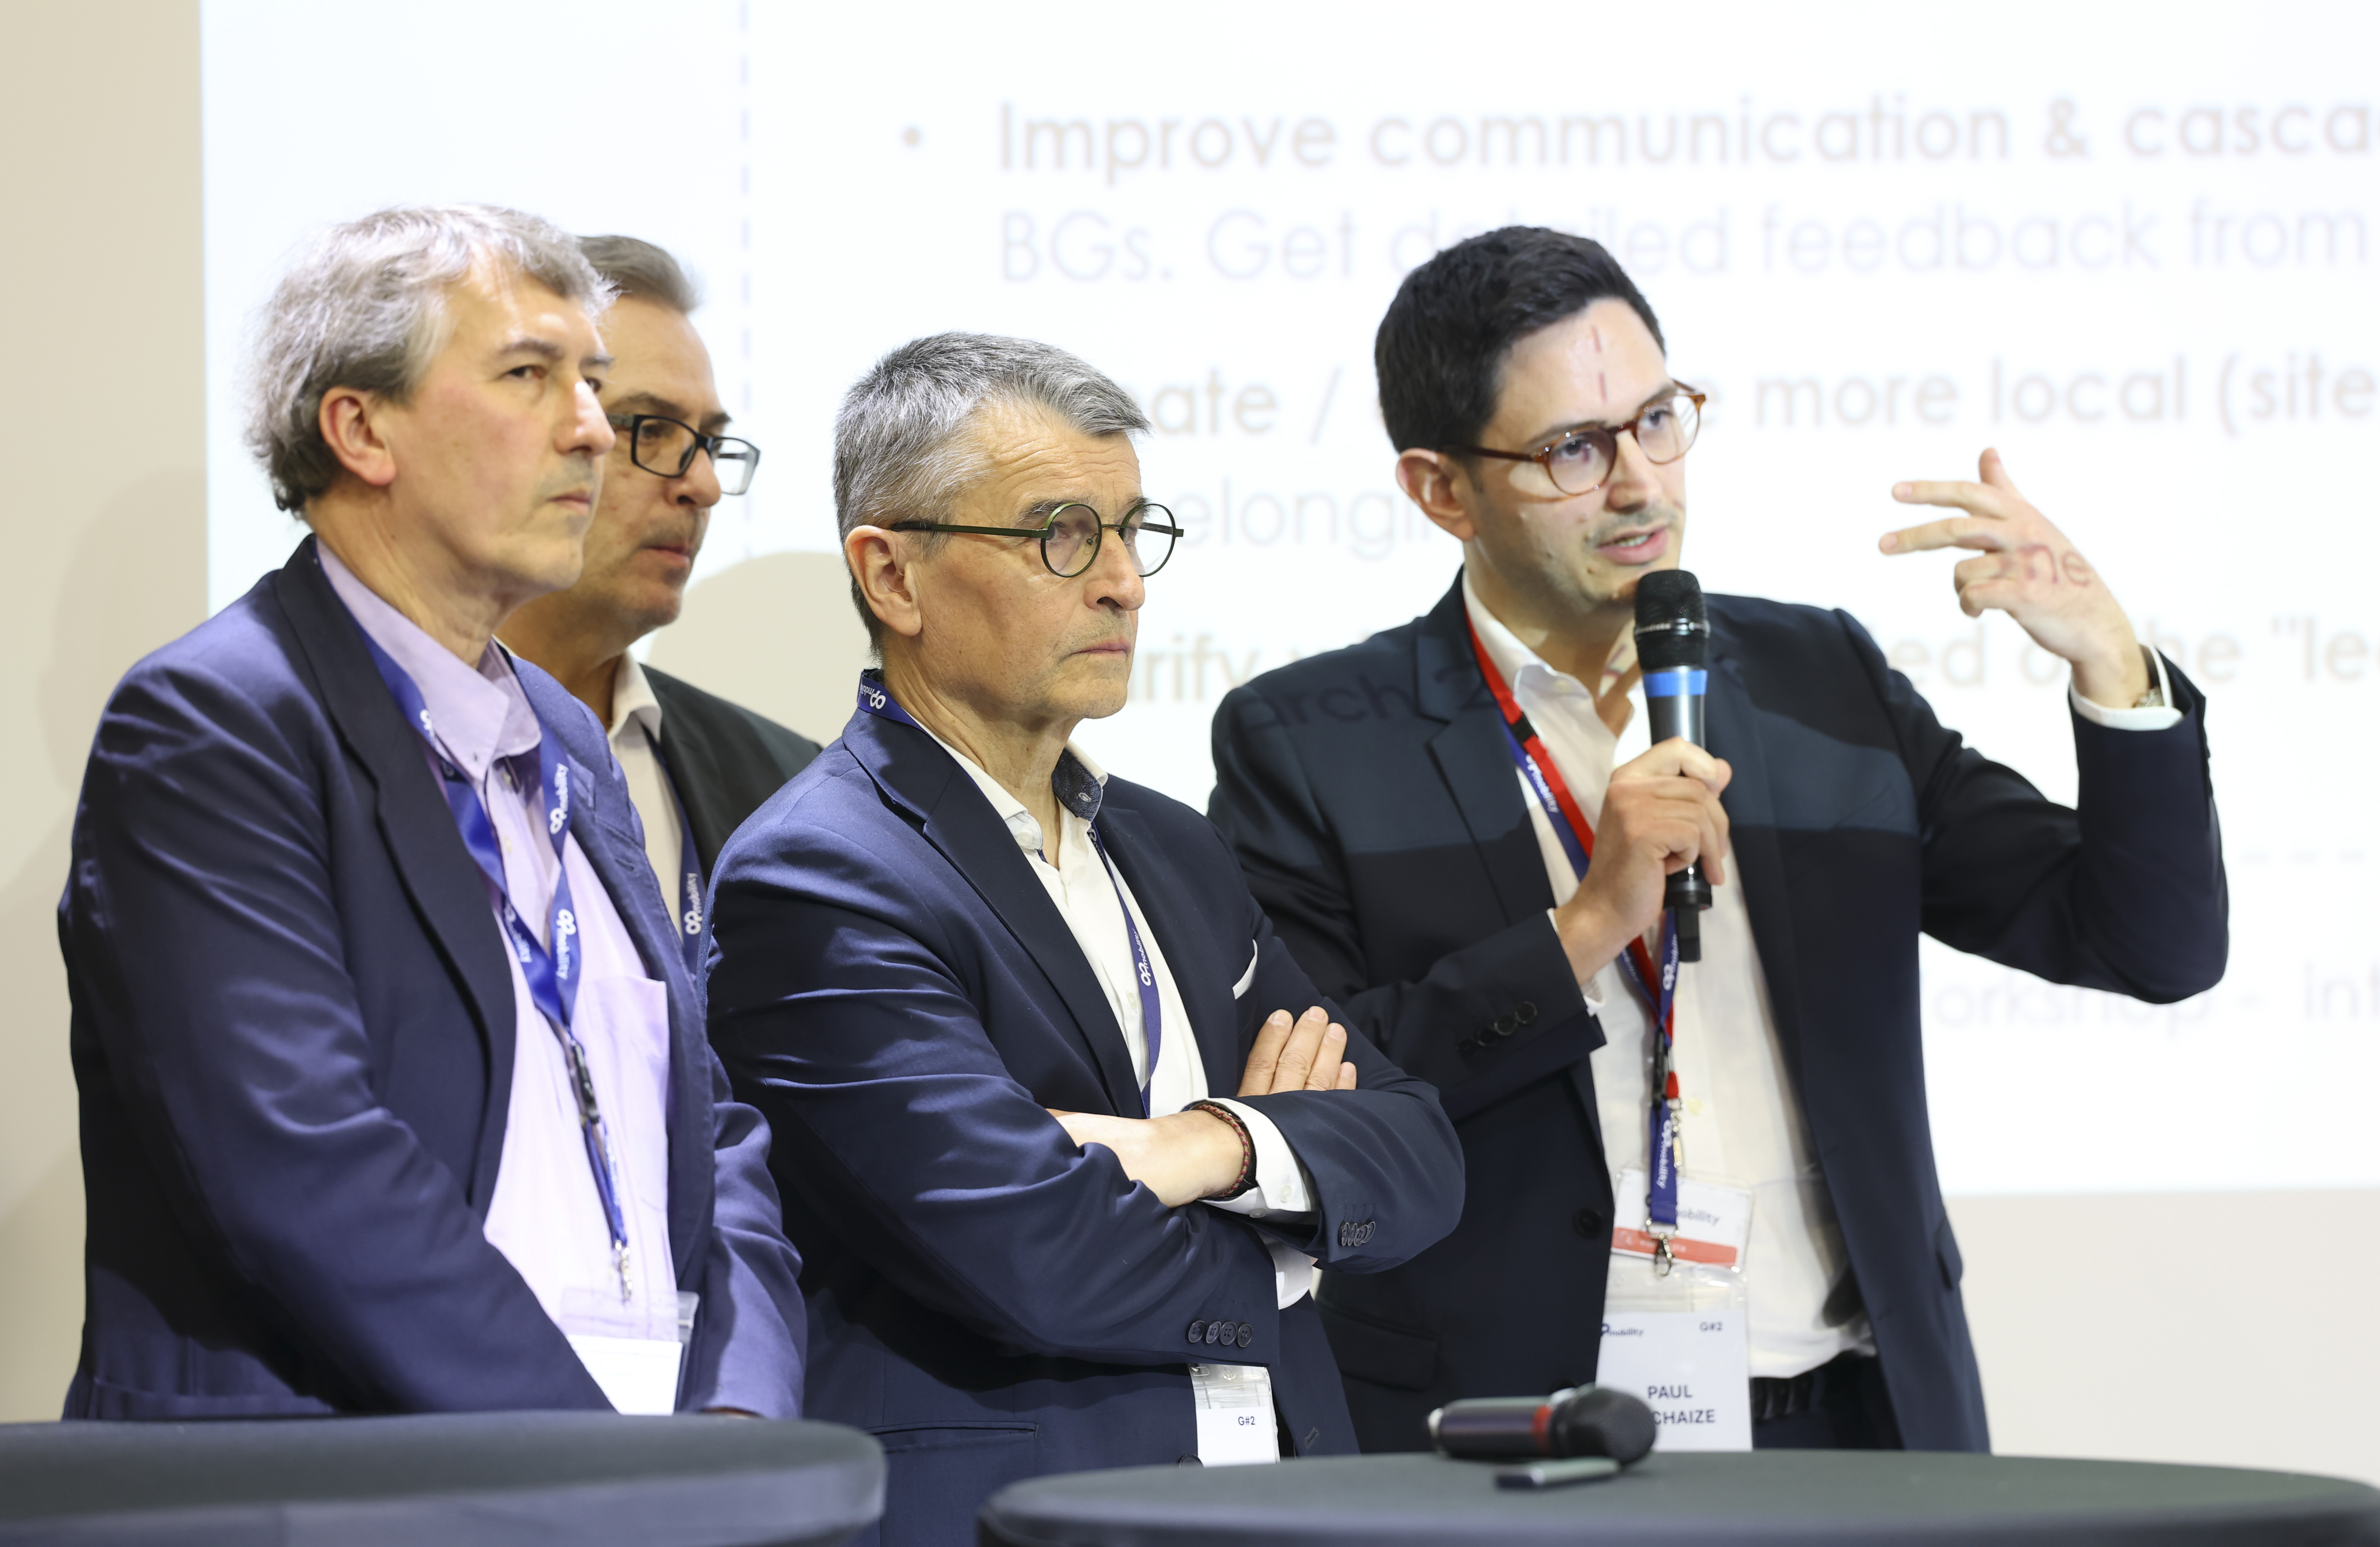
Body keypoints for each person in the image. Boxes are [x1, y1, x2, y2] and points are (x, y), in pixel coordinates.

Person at [1207, 227, 2226, 1453]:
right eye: (1574, 448)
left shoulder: (1821, 680)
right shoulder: (1313, 741)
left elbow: (2150, 944)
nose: (1641, 484)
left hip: (1856, 1424)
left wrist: (2112, 665)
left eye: (1658, 421)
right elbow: (1320, 1103)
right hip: (1519, 1434)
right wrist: (1584, 930)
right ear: (1441, 490)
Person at [704, 333, 1465, 1545]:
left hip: (1278, 1491)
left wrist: (1208, 1145)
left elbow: (1418, 1150)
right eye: (1060, 535)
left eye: (1131, 530)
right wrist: (1291, 1222)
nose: (1123, 583)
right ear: (892, 575)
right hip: (1021, 1509)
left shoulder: (1172, 847)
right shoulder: (822, 874)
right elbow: (1034, 1254)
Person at [59, 205, 804, 1419]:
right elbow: (303, 1164)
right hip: (356, 1473)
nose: (588, 429)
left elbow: (708, 1127)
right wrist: (598, 1458)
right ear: (360, 429)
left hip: (647, 1471)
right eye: (530, 377)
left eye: (591, 383)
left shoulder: (568, 737)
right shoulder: (216, 722)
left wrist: (739, 1417)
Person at [503, 236, 819, 964]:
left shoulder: (782, 780)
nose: (702, 486)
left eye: (709, 443)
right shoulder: (371, 737)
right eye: (652, 431)